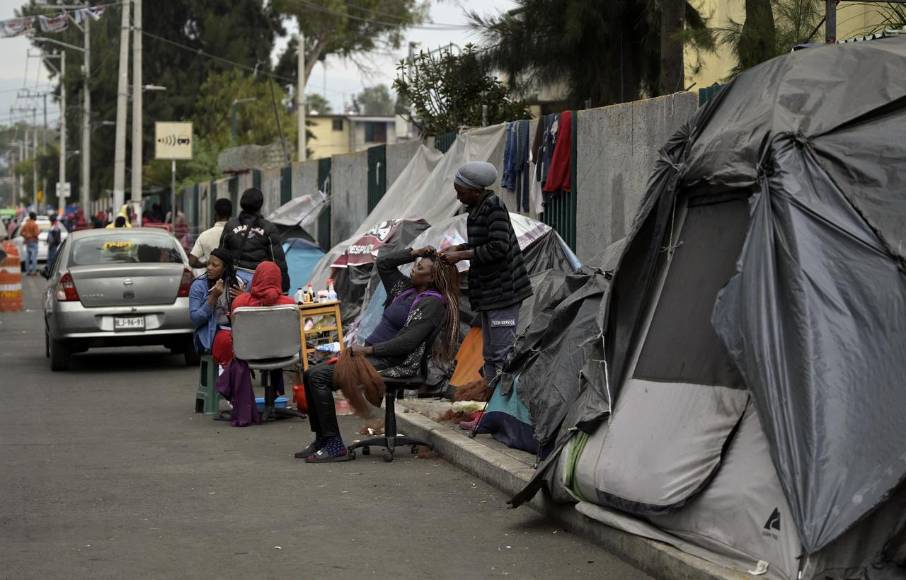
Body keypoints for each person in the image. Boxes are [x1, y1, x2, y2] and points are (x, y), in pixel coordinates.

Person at [297, 247, 460, 463]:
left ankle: (335, 445)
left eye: (419, 267)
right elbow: (384, 263)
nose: (413, 269)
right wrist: (413, 253)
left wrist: (368, 350)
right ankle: (323, 440)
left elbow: (407, 343)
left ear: (432, 277)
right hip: (374, 356)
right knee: (311, 374)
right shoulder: (404, 289)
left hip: (395, 362)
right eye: (415, 264)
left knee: (319, 376)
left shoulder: (432, 303)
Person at [440, 161, 532, 386]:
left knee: (502, 355)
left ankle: (505, 411)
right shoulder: (477, 209)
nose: (458, 197)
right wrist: (459, 248)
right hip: (489, 294)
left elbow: (499, 248)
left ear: (475, 190)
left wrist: (462, 256)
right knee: (490, 355)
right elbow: (482, 242)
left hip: (503, 293)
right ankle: (490, 409)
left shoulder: (494, 208)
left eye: (461, 192)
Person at [219, 188, 289, 291]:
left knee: (235, 307)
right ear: (260, 204)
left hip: (235, 283)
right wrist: (284, 287)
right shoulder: (268, 228)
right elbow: (277, 261)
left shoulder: (230, 226)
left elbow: (221, 255)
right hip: (261, 283)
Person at [189, 248, 245, 355]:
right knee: (226, 343)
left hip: (233, 331)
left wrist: (243, 299)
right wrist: (213, 298)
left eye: (215, 265)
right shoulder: (199, 286)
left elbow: (247, 317)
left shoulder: (237, 284)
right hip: (210, 335)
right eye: (208, 264)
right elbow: (195, 319)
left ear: (225, 268)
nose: (209, 268)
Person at [189, 198, 232, 269]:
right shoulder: (237, 233)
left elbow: (192, 261)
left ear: (215, 214)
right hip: (233, 278)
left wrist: (208, 264)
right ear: (230, 215)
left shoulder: (204, 235)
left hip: (210, 278)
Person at [20, 212, 40, 276]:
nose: (36, 217)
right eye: (35, 216)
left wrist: (26, 235)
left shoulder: (26, 224)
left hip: (28, 241)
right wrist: (38, 233)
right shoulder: (35, 224)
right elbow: (36, 234)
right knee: (34, 257)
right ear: (33, 217)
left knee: (27, 257)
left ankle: (27, 271)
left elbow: (21, 232)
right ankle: (34, 271)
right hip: (33, 241)